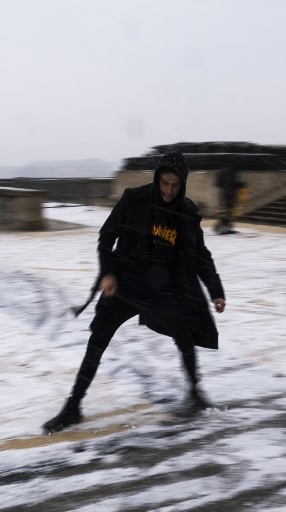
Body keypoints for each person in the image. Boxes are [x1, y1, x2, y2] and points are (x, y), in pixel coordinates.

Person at [43, 151, 226, 434]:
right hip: (127, 281)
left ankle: (195, 391)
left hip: (165, 288)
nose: (168, 191)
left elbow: (200, 254)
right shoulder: (135, 199)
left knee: (184, 335)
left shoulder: (186, 213)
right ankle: (73, 405)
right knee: (98, 340)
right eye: (165, 183)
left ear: (183, 184)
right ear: (157, 179)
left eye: (175, 185)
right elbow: (107, 236)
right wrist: (107, 273)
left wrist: (215, 290)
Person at [214, 165, 245, 234]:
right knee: (230, 212)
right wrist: (241, 185)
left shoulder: (221, 170)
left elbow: (218, 184)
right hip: (230, 194)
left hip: (224, 194)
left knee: (226, 212)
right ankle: (222, 228)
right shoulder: (233, 171)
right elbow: (234, 184)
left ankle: (221, 227)